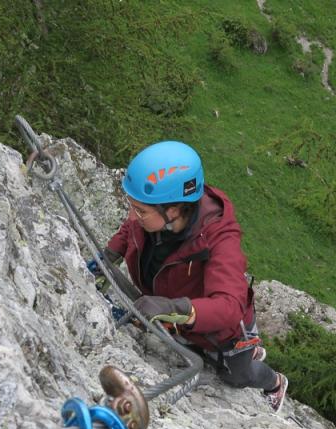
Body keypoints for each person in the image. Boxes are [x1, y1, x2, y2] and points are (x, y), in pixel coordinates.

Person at [98, 141, 289, 413]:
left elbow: (230, 306)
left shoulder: (220, 239)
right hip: (179, 316)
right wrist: (109, 254)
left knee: (236, 376)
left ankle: (274, 382)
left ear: (174, 209)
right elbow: (130, 229)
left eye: (140, 210)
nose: (132, 216)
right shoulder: (155, 216)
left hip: (222, 333)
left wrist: (173, 307)